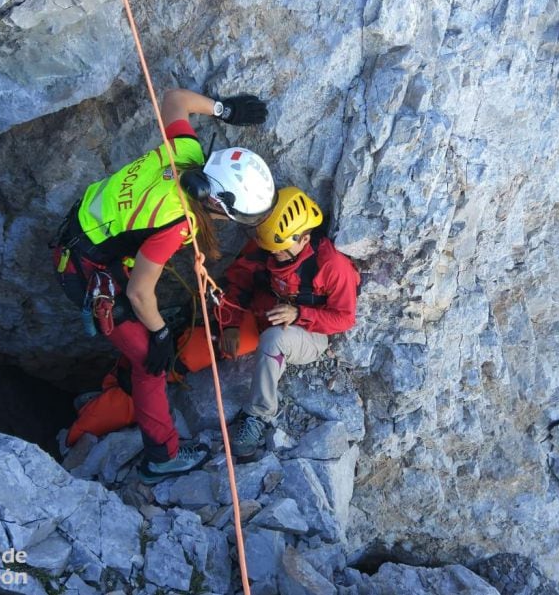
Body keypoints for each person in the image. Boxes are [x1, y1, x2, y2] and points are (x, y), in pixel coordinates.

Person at [52, 88, 276, 484]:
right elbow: (140, 292)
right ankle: (162, 458)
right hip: (89, 274)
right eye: (234, 216)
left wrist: (225, 110)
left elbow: (174, 100)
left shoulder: (186, 155)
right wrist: (157, 335)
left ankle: (116, 388)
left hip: (87, 241)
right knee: (149, 365)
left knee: (147, 346)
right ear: (216, 202)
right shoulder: (176, 223)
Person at [220, 187, 360, 458]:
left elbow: (344, 318)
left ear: (304, 238)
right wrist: (231, 325)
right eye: (272, 250)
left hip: (311, 331)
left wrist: (298, 315)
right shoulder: (270, 244)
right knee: (225, 346)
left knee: (274, 340)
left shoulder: (332, 266)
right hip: (270, 310)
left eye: (282, 251)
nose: (276, 256)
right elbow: (238, 280)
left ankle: (258, 415)